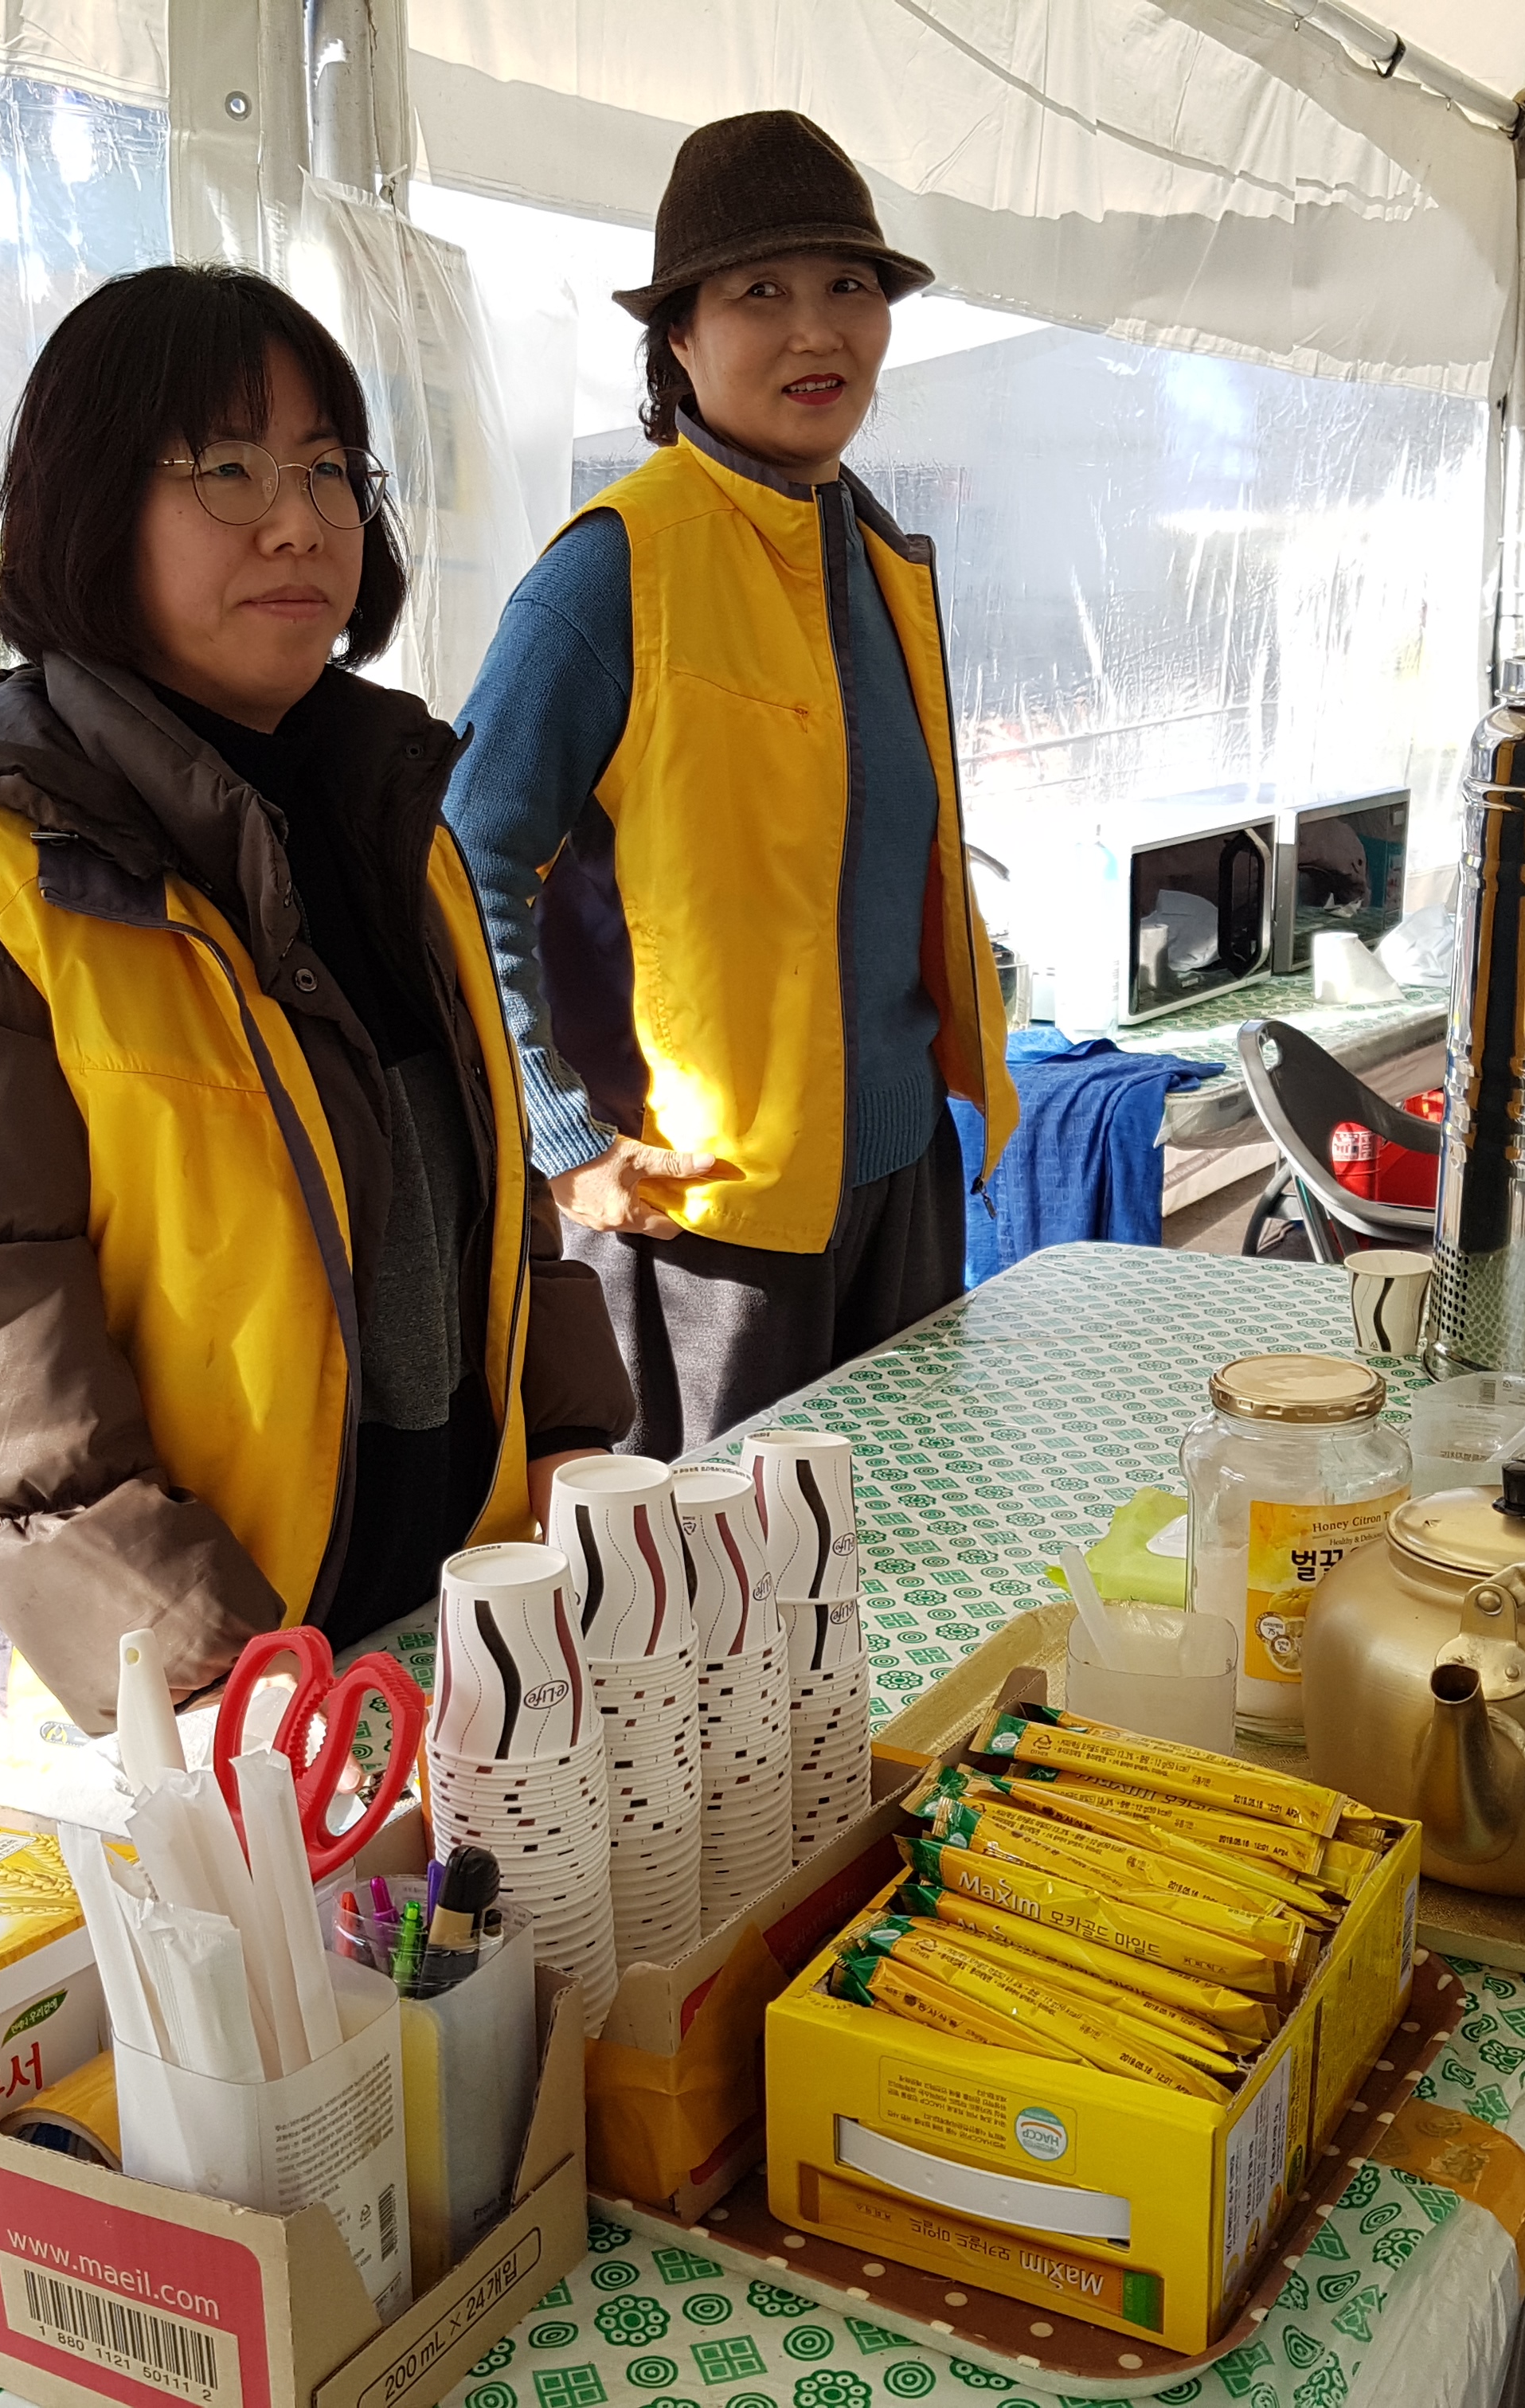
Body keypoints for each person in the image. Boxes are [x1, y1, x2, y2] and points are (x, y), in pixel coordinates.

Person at [0, 264, 632, 1796]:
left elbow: (497, 1215)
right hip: (142, 1694)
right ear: (90, 507)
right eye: (227, 469)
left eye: (329, 468)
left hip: (398, 1632)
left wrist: (574, 1456)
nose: (299, 522)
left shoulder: (397, 822)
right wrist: (222, 1684)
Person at [446, 111, 1018, 1460]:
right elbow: (463, 857)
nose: (817, 330)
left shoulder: (876, 555)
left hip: (902, 1183)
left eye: (850, 286)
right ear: (680, 343)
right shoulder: (615, 566)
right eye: (760, 291)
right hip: (704, 1218)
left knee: (908, 1538)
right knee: (720, 1578)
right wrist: (560, 1135)